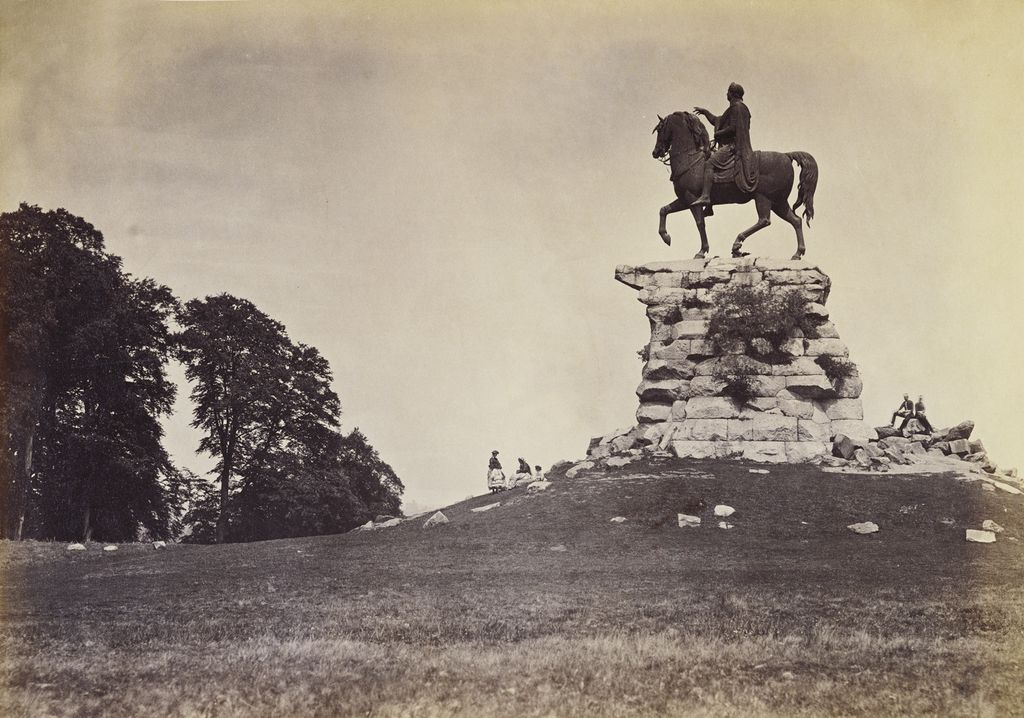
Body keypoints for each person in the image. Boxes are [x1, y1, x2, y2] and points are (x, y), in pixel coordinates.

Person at [691, 82, 759, 208]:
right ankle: (710, 206)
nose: (726, 94)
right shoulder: (738, 108)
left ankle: (705, 196)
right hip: (734, 145)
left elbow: (733, 128)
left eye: (728, 92)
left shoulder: (737, 107)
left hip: (733, 147)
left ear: (732, 94)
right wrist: (705, 112)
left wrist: (718, 133)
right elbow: (718, 120)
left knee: (709, 164)